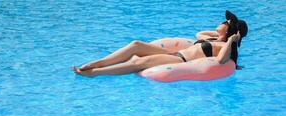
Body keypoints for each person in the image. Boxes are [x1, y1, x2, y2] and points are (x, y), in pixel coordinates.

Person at [72, 10, 248, 77]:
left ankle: (95, 72)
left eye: (226, 23)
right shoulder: (214, 40)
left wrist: (232, 40)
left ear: (230, 30)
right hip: (173, 55)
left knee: (137, 62)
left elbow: (221, 61)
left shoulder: (223, 47)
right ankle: (97, 62)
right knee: (136, 45)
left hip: (179, 60)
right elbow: (199, 34)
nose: (222, 22)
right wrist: (220, 35)